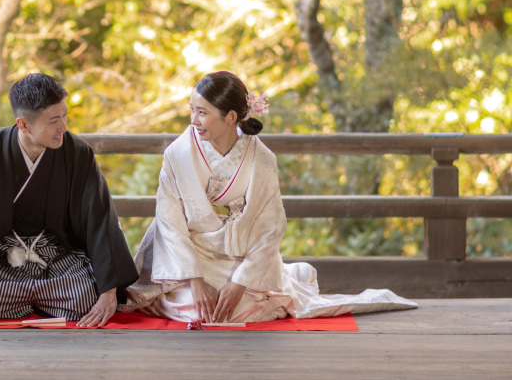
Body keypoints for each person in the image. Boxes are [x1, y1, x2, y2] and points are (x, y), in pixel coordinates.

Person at [122, 71, 417, 323]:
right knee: (195, 309)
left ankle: (264, 286)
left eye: (202, 112)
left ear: (231, 117)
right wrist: (195, 280)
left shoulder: (261, 160)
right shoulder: (178, 154)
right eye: (192, 110)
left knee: (233, 308)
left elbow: (269, 226)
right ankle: (203, 291)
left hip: (237, 259)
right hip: (190, 257)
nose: (194, 120)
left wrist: (241, 282)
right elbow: (169, 220)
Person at [0, 73, 138, 327]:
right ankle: (36, 299)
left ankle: (28, 298)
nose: (63, 127)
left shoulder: (78, 153)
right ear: (23, 124)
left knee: (86, 300)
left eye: (64, 116)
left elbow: (99, 219)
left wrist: (108, 292)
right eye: (53, 120)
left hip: (56, 257)